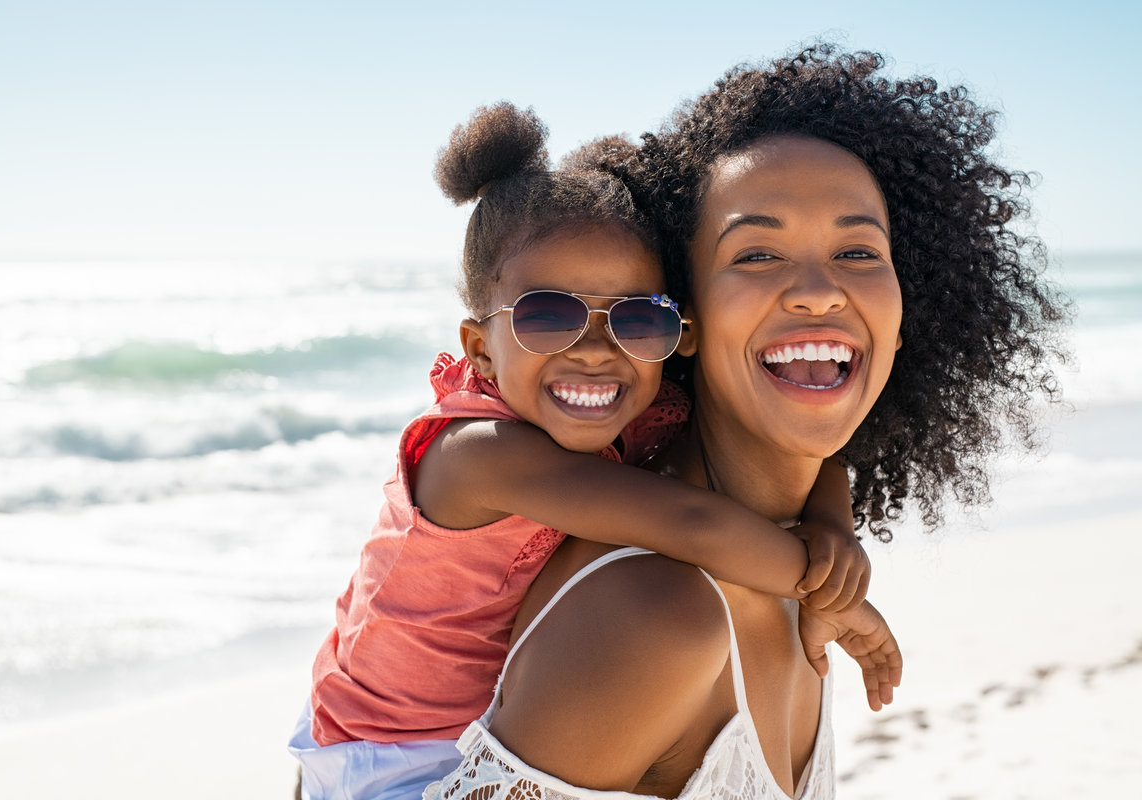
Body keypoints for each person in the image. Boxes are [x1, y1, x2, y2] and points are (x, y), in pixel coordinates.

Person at [426, 45, 1068, 799]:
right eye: (758, 253)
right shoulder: (657, 616)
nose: (819, 291)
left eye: (858, 250)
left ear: (903, 318)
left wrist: (834, 529)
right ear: (684, 323)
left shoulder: (803, 569)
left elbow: (818, 472)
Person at [289, 101, 883, 800]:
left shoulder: (630, 410)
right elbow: (689, 523)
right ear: (480, 346)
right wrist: (834, 591)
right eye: (548, 315)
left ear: (677, 331)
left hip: (469, 728)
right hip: (386, 754)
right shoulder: (479, 454)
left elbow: (803, 444)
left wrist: (835, 523)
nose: (598, 350)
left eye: (637, 318)